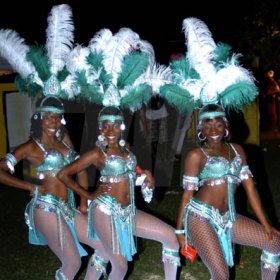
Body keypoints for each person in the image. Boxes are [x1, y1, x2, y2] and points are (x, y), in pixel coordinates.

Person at [58, 106, 180, 280]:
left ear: (122, 126)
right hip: (105, 211)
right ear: (100, 128)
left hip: (128, 211)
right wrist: (88, 195)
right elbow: (63, 174)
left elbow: (130, 176)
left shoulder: (127, 150)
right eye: (105, 125)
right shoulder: (97, 153)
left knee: (170, 237)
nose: (110, 130)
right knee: (120, 266)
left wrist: (146, 177)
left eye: (115, 125)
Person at [0, 96, 110, 280]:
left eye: (57, 116)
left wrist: (83, 202)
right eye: (48, 116)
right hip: (46, 208)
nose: (54, 121)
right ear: (39, 118)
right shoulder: (31, 146)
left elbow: (80, 168)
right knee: (72, 262)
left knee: (103, 247)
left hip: (67, 207)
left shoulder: (64, 141)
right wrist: (30, 186)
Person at [175, 103, 280, 279]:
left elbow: (250, 189)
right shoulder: (196, 155)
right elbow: (187, 195)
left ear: (225, 126)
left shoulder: (237, 150)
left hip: (228, 217)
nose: (213, 130)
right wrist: (179, 231)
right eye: (207, 126)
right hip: (200, 217)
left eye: (217, 124)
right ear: (201, 129)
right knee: (221, 275)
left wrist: (266, 224)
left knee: (274, 243)